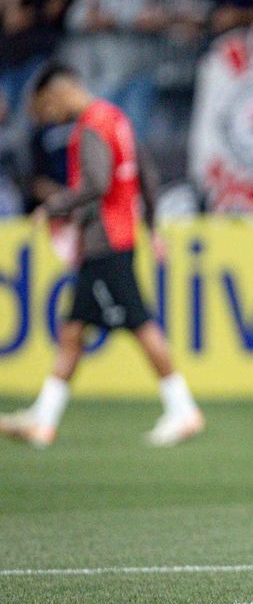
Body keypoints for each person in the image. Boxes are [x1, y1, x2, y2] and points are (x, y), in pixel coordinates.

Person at [0, 64, 204, 449]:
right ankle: (43, 420)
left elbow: (97, 182)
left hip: (105, 242)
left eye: (45, 108)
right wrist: (153, 226)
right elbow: (147, 175)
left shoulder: (90, 126)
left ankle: (183, 410)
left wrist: (55, 205)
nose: (49, 117)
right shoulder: (117, 120)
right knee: (74, 331)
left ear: (57, 94)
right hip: (120, 237)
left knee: (141, 326)